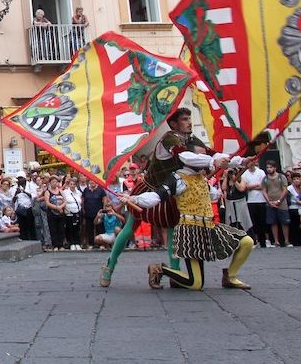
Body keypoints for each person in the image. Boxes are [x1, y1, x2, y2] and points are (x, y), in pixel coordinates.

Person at [100, 108, 205, 287]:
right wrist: (210, 160)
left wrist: (233, 160)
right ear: (173, 124)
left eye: (190, 118)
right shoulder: (169, 139)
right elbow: (188, 156)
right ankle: (110, 265)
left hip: (169, 193)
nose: (189, 122)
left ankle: (175, 273)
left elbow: (207, 153)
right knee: (129, 229)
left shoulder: (192, 140)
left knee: (173, 231)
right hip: (147, 189)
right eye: (185, 119)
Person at [123, 150, 253, 291]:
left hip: (209, 226)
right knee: (196, 283)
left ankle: (230, 276)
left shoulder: (201, 178)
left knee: (247, 242)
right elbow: (156, 196)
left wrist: (242, 162)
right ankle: (160, 269)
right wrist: (134, 198)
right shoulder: (177, 178)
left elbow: (219, 168)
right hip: (190, 233)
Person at [261, 161, 290, 248]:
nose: (269, 169)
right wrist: (269, 201)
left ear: (275, 168)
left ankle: (286, 241)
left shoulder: (281, 177)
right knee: (273, 222)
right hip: (270, 203)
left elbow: (285, 189)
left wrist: (279, 201)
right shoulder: (265, 179)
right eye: (267, 168)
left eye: (270, 167)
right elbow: (264, 190)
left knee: (284, 222)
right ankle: (276, 241)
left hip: (282, 203)